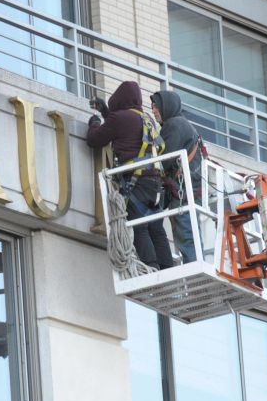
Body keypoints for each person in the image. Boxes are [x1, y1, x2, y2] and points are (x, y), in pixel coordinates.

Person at [87, 81, 173, 270]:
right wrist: (106, 112)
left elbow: (95, 139)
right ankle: (168, 268)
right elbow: (127, 131)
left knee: (140, 226)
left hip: (136, 182)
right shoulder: (146, 119)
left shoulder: (119, 118)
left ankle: (151, 268)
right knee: (156, 228)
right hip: (155, 184)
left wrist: (94, 123)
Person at [150, 90, 203, 264]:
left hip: (184, 191)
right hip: (188, 189)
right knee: (190, 233)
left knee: (186, 235)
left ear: (167, 106)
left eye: (156, 106)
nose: (153, 110)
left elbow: (163, 161)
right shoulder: (183, 124)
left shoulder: (174, 125)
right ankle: (192, 265)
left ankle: (193, 270)